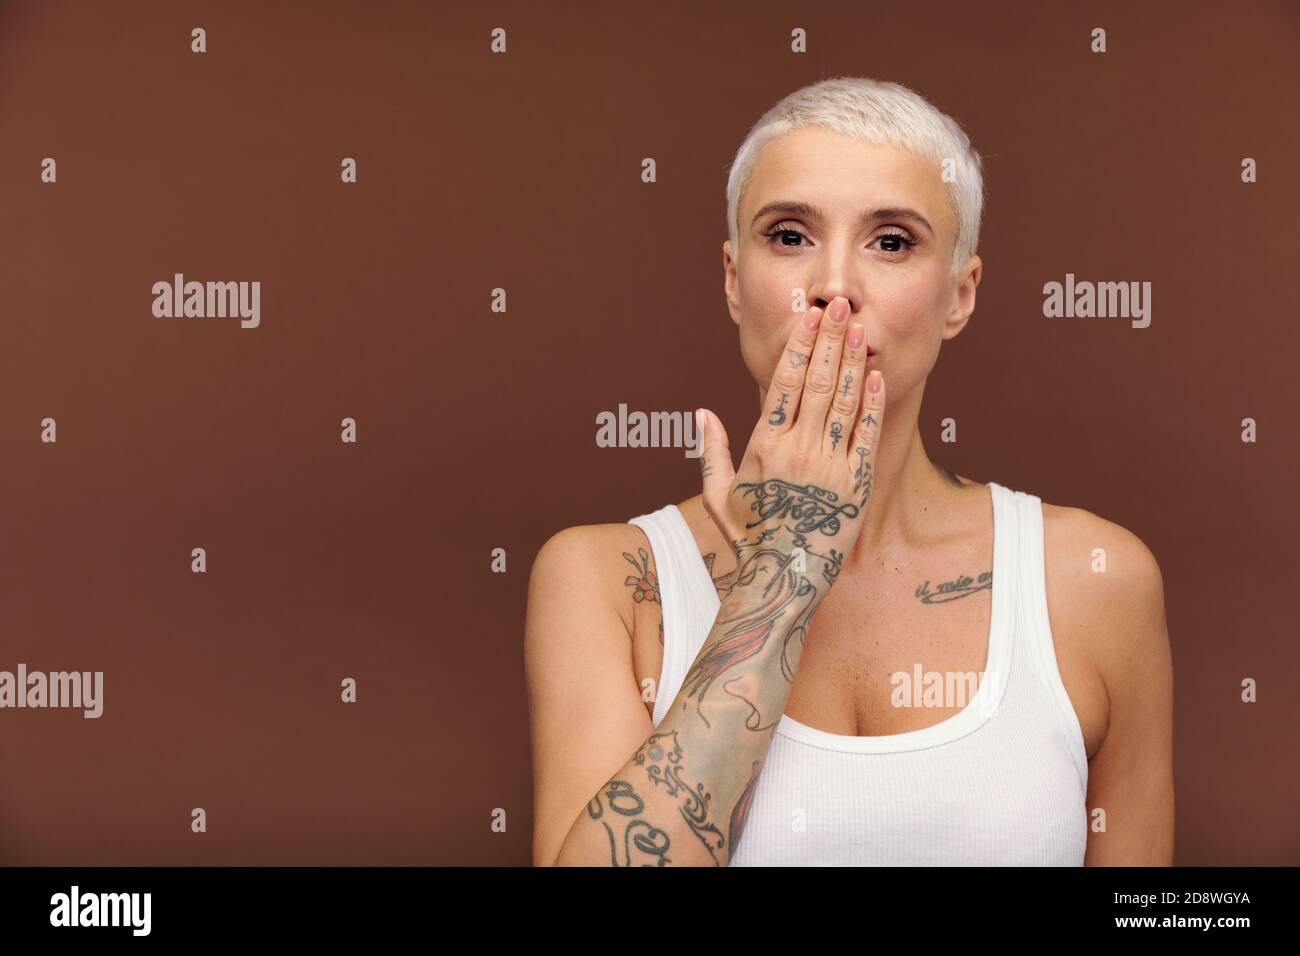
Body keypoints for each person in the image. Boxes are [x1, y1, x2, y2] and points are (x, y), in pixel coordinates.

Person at [525, 76, 1174, 866]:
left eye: (892, 241)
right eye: (790, 235)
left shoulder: (1098, 580)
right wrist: (783, 571)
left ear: (959, 297)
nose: (833, 285)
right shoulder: (605, 579)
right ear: (734, 281)